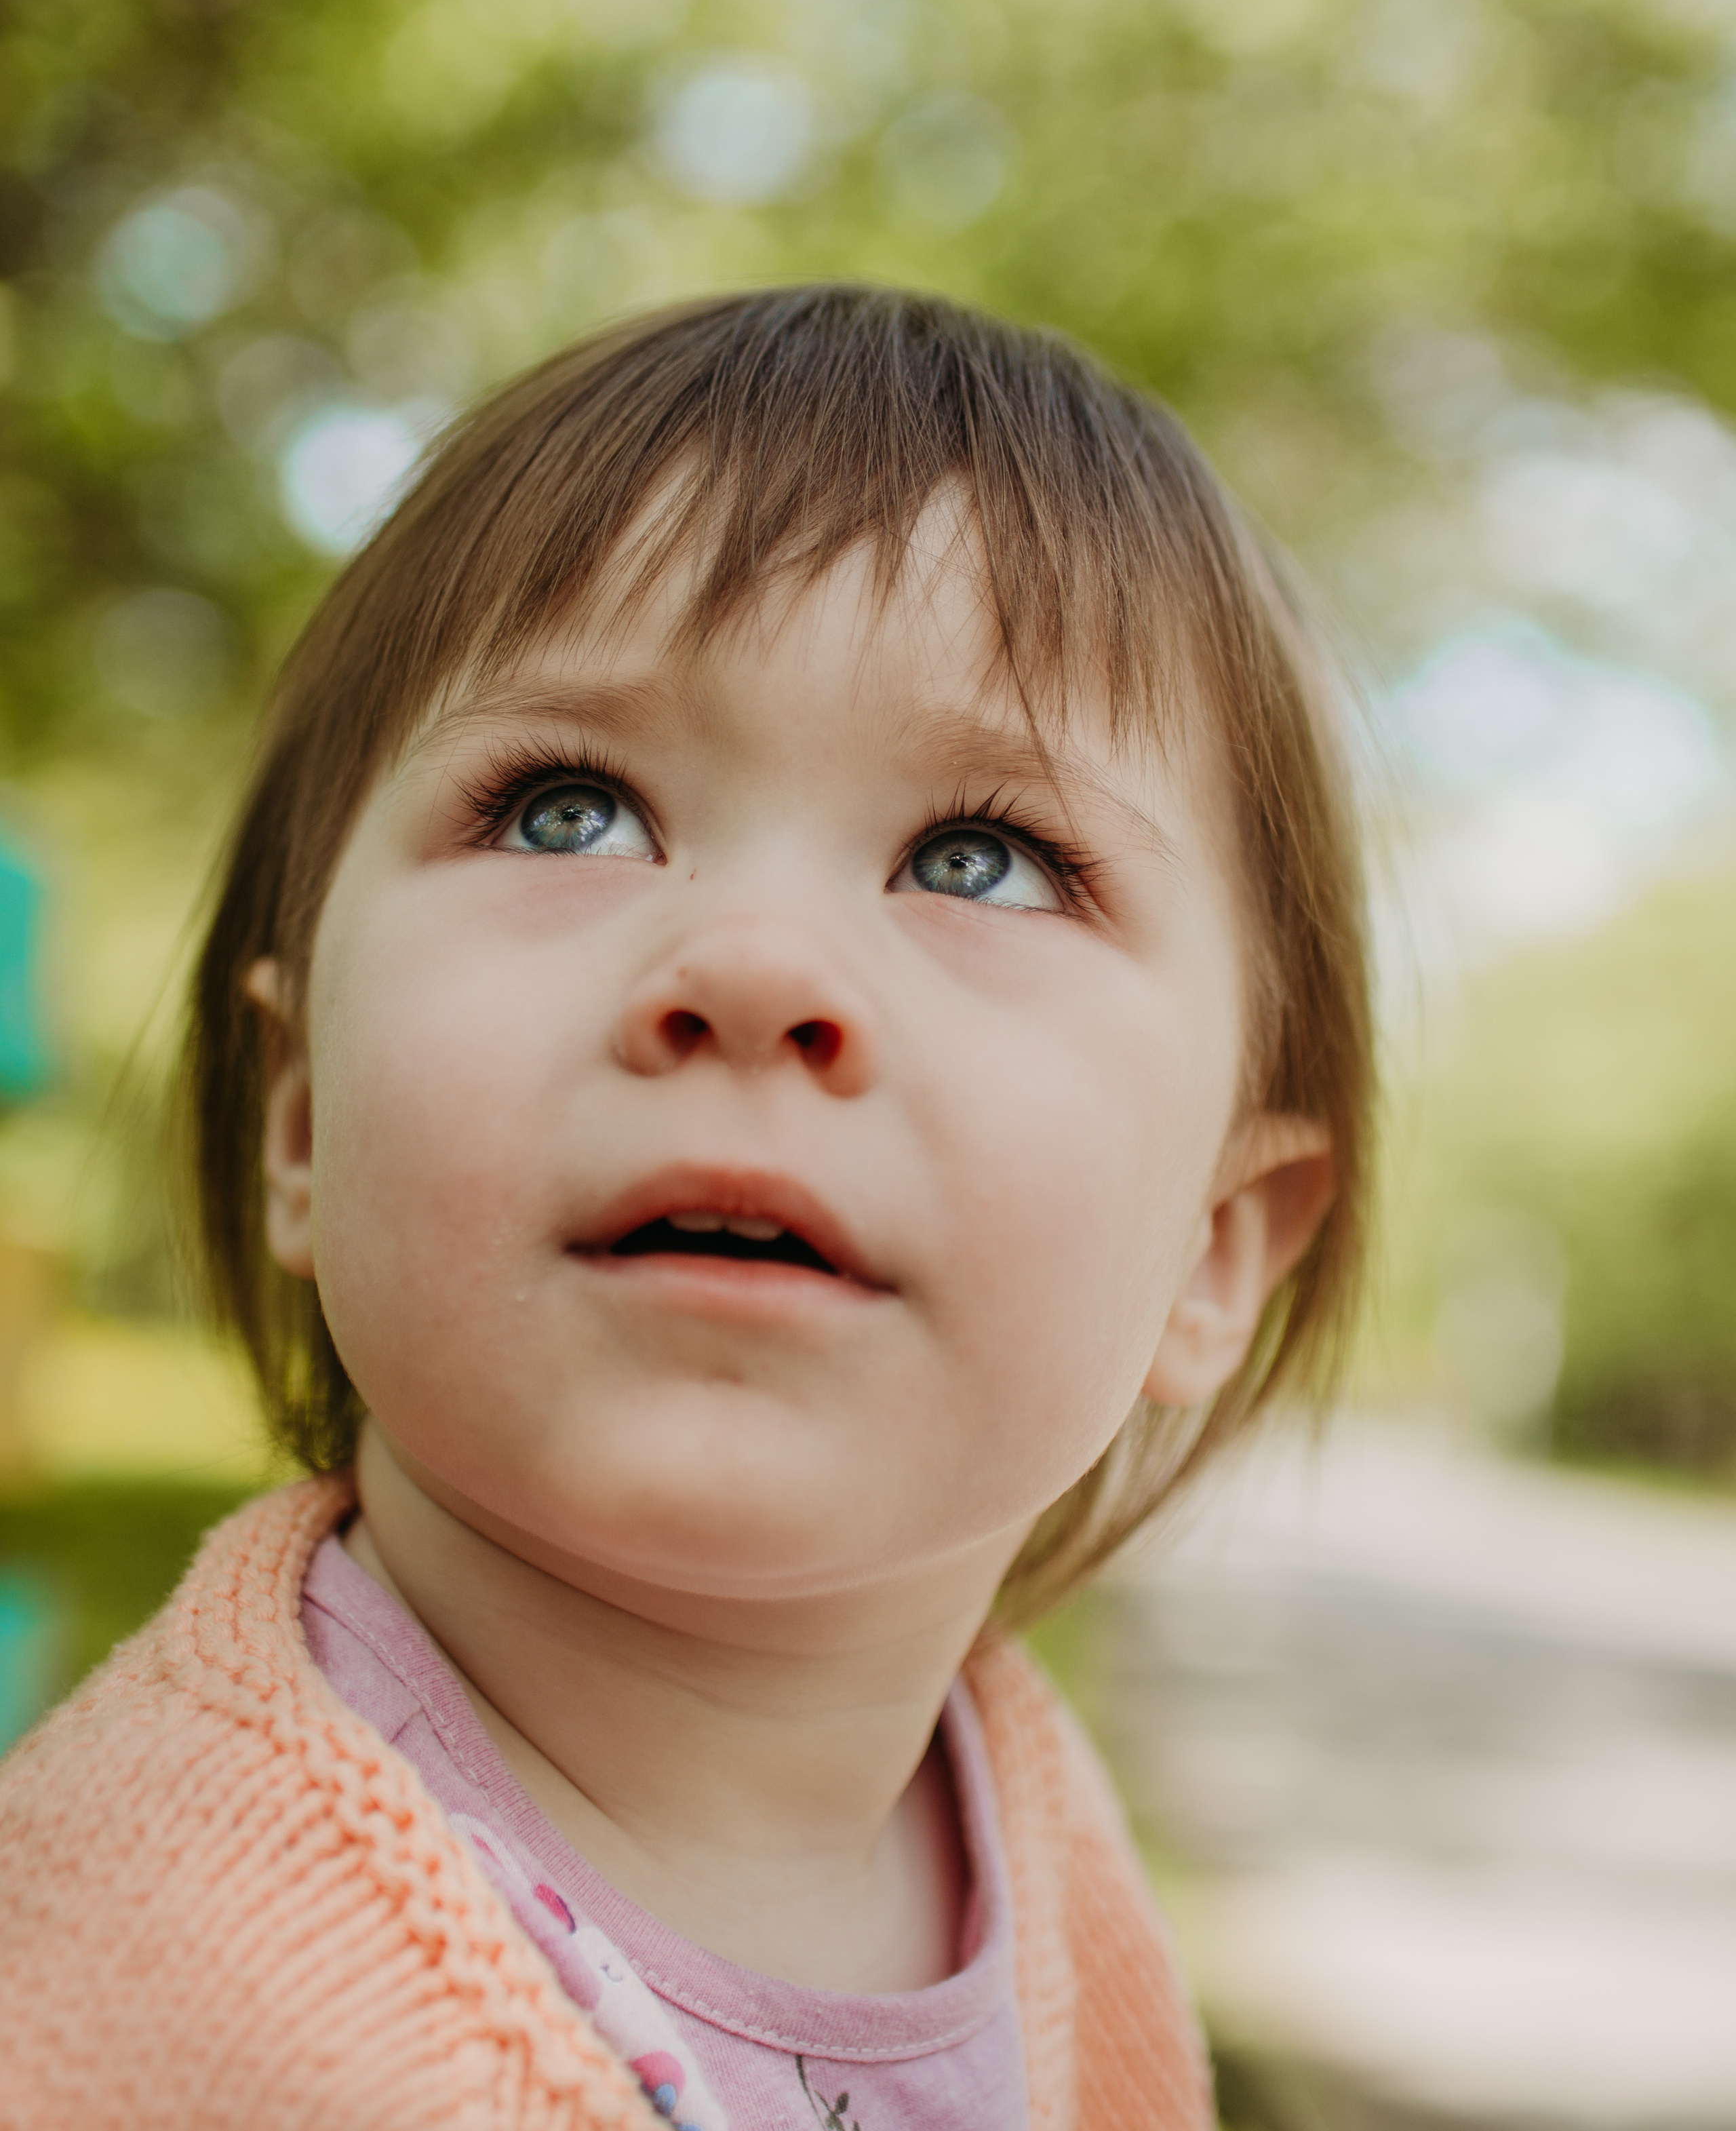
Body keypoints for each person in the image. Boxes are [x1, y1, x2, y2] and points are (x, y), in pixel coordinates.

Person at [0, 285, 1370, 2129]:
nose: (750, 962)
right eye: (571, 807)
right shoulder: (121, 1988)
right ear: (302, 1121)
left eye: (983, 857)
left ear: (1215, 1248)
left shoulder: (1043, 1858)